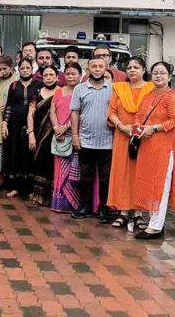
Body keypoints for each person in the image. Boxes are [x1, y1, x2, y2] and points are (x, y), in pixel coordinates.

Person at [132, 61, 175, 239]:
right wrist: (138, 126)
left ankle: (155, 226)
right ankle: (154, 221)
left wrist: (154, 128)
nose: (158, 76)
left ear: (169, 76)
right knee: (147, 183)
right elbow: (139, 115)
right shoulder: (148, 95)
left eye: (162, 73)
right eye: (155, 73)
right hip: (147, 147)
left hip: (163, 148)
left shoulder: (173, 97)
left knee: (160, 186)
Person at [106, 57, 154, 228]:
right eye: (129, 67)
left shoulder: (152, 89)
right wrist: (121, 126)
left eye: (136, 67)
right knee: (122, 173)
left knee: (140, 173)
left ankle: (139, 213)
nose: (132, 70)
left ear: (143, 70)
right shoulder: (119, 88)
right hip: (122, 136)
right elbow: (111, 111)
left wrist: (142, 129)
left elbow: (155, 112)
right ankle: (123, 211)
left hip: (144, 137)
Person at [70, 54, 114, 223]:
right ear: (88, 69)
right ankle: (85, 207)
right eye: (93, 66)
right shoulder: (79, 89)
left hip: (107, 142)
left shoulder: (113, 89)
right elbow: (75, 112)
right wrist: (75, 136)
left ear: (105, 68)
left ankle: (104, 208)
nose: (97, 69)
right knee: (85, 177)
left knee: (105, 179)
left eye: (100, 66)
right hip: (85, 141)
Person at [3, 58, 43, 197]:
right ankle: (15, 187)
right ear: (18, 70)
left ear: (32, 69)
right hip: (14, 124)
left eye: (27, 68)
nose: (25, 70)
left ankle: (29, 188)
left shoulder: (39, 85)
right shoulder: (14, 85)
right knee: (15, 152)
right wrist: (4, 123)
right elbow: (8, 105)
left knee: (30, 153)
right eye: (22, 68)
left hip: (33, 124)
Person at [50, 62, 83, 213]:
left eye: (73, 74)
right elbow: (52, 111)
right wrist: (57, 127)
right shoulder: (59, 91)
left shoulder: (83, 91)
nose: (70, 76)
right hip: (59, 136)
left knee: (73, 171)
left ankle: (72, 205)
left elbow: (81, 113)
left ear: (80, 75)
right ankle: (59, 203)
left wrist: (66, 127)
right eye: (67, 74)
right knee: (59, 169)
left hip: (75, 134)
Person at [26, 65, 59, 205]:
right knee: (38, 162)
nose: (49, 78)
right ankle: (38, 194)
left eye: (52, 75)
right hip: (38, 134)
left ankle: (51, 197)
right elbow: (30, 114)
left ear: (57, 77)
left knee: (51, 164)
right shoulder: (37, 92)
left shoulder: (61, 92)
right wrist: (31, 134)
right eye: (46, 75)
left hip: (55, 134)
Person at [0, 56, 16, 189]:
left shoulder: (16, 80)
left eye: (5, 69)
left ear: (11, 68)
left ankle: (10, 178)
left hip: (9, 119)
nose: (2, 72)